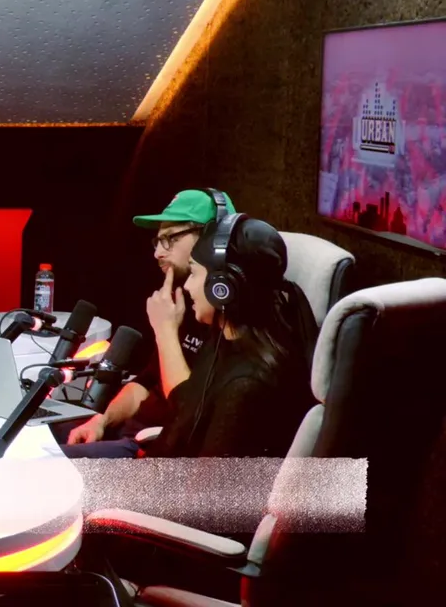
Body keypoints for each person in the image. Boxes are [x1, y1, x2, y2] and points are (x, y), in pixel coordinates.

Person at [63, 213, 318, 458]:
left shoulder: (247, 383)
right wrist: (103, 420)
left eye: (195, 273)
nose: (187, 286)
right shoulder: (225, 342)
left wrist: (165, 331)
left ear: (222, 287)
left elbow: (200, 467)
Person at [63, 188, 233, 447]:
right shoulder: (180, 303)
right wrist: (102, 420)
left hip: (159, 449)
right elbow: (145, 384)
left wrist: (165, 330)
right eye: (158, 241)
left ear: (212, 239)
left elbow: (189, 414)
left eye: (170, 238)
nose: (157, 254)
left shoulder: (233, 327)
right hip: (128, 433)